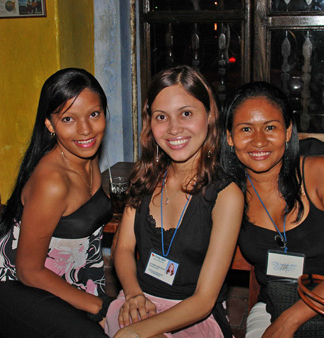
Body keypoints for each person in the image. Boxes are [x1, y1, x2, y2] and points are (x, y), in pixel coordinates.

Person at [221, 81, 324, 338]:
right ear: (230, 137)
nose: (259, 141)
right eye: (245, 129)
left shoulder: (320, 173)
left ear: (288, 132)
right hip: (272, 306)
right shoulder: (229, 192)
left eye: (271, 127)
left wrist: (289, 321)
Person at [104, 65, 244, 338]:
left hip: (192, 315)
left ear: (210, 115)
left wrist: (135, 333)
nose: (173, 128)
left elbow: (203, 301)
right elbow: (122, 249)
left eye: (186, 113)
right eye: (161, 117)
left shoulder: (225, 196)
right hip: (138, 301)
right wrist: (133, 295)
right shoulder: (146, 179)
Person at [0, 68, 112, 338]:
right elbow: (28, 270)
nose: (85, 129)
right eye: (68, 118)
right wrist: (99, 306)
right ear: (50, 124)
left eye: (94, 114)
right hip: (10, 286)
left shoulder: (85, 153)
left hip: (61, 279)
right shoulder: (52, 183)